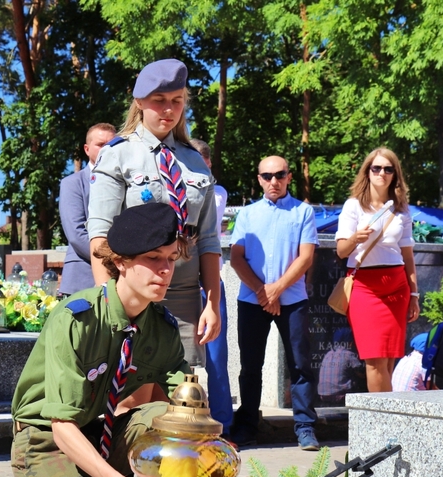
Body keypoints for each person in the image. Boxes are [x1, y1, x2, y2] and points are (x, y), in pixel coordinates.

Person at [10, 203, 189, 477]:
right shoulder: (77, 320)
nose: (165, 270)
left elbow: (187, 408)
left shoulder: (162, 328)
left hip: (101, 430)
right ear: (120, 262)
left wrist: (209, 473)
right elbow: (62, 426)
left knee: (165, 415)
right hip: (47, 437)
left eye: (171, 259)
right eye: (153, 258)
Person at [87, 58, 221, 370]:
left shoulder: (196, 162)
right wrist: (108, 301)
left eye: (176, 101)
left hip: (185, 297)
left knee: (182, 392)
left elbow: (209, 241)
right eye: (158, 101)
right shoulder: (118, 155)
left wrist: (211, 304)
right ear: (139, 102)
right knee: (130, 386)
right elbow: (100, 236)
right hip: (131, 292)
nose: (168, 109)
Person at [229, 156, 319, 450]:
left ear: (289, 177)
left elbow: (305, 257)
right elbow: (236, 258)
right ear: (259, 179)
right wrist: (261, 292)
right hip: (252, 299)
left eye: (279, 175)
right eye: (267, 176)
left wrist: (276, 290)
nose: (273, 181)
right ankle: (246, 426)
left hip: (291, 299)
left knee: (300, 364)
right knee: (250, 365)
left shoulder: (303, 212)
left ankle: (305, 427)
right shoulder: (248, 214)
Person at [335, 147, 419, 392]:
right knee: (375, 359)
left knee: (390, 358)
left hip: (397, 287)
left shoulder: (401, 210)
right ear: (368, 172)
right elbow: (341, 251)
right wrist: (356, 238)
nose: (382, 173)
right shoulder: (354, 206)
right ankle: (382, 424)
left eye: (388, 169)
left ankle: (388, 419)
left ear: (395, 174)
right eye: (376, 168)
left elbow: (408, 257)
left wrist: (414, 295)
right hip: (364, 287)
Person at [189, 138, 232, 433]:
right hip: (180, 280)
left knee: (216, 359)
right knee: (176, 358)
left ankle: (223, 425)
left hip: (208, 281)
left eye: (201, 164)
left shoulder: (216, 193)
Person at [59, 123, 116, 296]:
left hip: (122, 281)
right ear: (87, 149)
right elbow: (77, 234)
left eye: (111, 146)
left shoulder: (126, 184)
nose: (106, 150)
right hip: (82, 280)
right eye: (100, 145)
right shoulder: (73, 183)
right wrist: (114, 259)